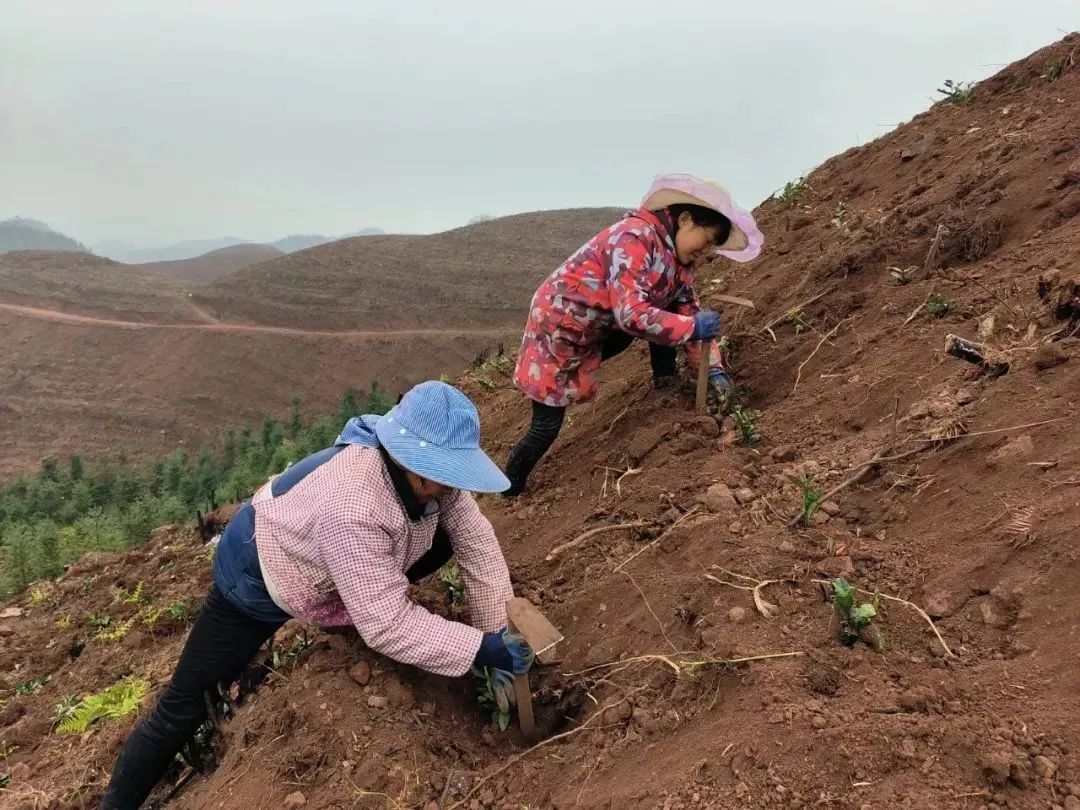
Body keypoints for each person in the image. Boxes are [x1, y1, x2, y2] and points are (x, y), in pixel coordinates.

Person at [102, 381, 533, 809]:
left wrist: (496, 624)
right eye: (440, 474)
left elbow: (476, 540)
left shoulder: (430, 480)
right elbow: (387, 625)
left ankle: (364, 588)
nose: (448, 486)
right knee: (184, 704)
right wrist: (481, 649)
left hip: (328, 553)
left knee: (447, 534)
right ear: (406, 458)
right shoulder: (354, 506)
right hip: (259, 571)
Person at [503, 174, 763, 496]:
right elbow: (632, 314)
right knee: (546, 425)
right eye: (706, 240)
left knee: (667, 316)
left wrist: (712, 369)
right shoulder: (635, 238)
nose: (706, 251)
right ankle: (510, 487)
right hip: (558, 326)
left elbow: (685, 315)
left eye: (712, 248)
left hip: (597, 325)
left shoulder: (677, 263)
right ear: (684, 219)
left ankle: (664, 383)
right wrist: (692, 327)